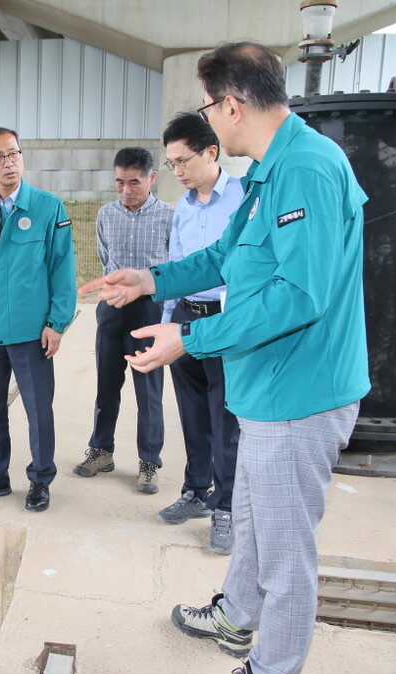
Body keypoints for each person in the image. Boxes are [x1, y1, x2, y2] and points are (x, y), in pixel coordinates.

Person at [80, 42, 369, 674]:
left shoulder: (306, 169)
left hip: (300, 392)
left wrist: (189, 338)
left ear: (232, 106)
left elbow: (298, 296)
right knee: (254, 516)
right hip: (269, 387)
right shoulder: (272, 171)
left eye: (210, 105)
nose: (208, 116)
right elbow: (222, 256)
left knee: (285, 550)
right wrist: (150, 279)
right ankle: (237, 614)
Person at [0, 127, 76, 513]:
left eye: (14, 153)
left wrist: (57, 323)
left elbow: (62, 269)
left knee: (38, 410)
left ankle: (40, 480)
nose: (9, 162)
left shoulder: (48, 207)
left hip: (31, 331)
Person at [158, 112, 244, 555]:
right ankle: (196, 490)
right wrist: (169, 320)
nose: (177, 171)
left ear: (211, 153)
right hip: (186, 318)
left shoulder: (245, 198)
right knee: (192, 413)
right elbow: (177, 264)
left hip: (225, 322)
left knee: (225, 419)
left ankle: (225, 506)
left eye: (183, 161)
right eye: (171, 163)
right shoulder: (184, 207)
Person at [73, 147, 173, 495]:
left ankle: (149, 462)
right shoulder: (106, 215)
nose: (126, 190)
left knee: (149, 391)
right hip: (112, 309)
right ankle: (101, 451)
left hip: (150, 311)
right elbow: (106, 258)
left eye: (134, 182)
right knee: (106, 386)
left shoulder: (169, 217)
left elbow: (176, 267)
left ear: (151, 178)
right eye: (119, 182)